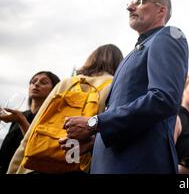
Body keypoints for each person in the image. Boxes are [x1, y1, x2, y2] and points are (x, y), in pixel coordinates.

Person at [64, 0, 189, 174]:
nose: (130, 7)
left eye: (140, 2)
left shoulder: (168, 35)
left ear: (161, 10)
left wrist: (94, 123)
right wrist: (95, 141)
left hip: (140, 164)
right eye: (130, 3)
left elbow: (163, 99)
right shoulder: (131, 55)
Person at [7, 44, 123, 174]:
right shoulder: (113, 85)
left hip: (40, 160)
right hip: (76, 163)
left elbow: (33, 131)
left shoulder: (67, 83)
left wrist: (14, 169)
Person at [0, 71, 60, 173]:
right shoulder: (18, 115)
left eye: (43, 82)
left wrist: (21, 121)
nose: (36, 84)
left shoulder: (53, 119)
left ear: (55, 90)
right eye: (33, 82)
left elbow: (38, 149)